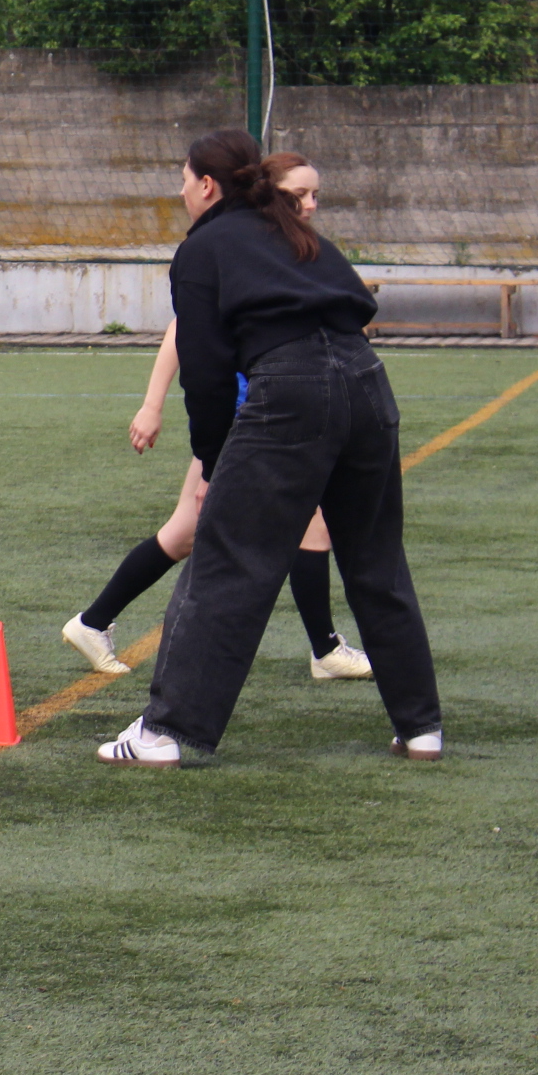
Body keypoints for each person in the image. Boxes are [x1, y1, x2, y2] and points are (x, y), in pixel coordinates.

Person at [98, 128, 443, 767]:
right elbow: (356, 302)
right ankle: (422, 729)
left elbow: (206, 373)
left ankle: (161, 733)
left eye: (183, 180)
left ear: (207, 185)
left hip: (290, 390)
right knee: (377, 561)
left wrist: (213, 462)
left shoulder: (201, 249)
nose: (180, 191)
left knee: (226, 561)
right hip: (367, 382)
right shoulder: (291, 229)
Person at [62, 154, 373, 681]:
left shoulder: (285, 244)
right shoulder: (243, 244)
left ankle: (94, 621)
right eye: (299, 195)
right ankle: (322, 650)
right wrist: (152, 404)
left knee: (186, 533)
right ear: (269, 195)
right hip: (246, 417)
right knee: (303, 523)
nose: (311, 205)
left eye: (316, 195)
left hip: (263, 414)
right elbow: (182, 328)